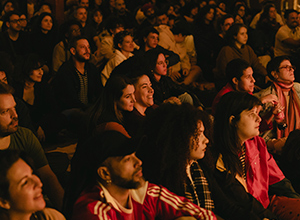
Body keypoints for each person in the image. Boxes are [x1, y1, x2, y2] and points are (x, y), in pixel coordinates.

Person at [139, 102, 278, 220]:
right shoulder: (166, 176)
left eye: (205, 133)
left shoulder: (199, 167)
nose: (206, 140)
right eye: (198, 134)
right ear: (179, 138)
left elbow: (226, 205)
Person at [67, 130, 216, 220]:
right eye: (127, 159)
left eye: (135, 155)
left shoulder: (145, 193)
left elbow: (203, 214)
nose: (138, 162)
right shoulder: (93, 212)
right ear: (105, 173)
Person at [213, 91, 300, 220]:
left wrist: (295, 200)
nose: (259, 119)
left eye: (258, 113)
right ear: (233, 121)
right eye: (252, 114)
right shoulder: (218, 156)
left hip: (266, 204)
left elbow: (278, 180)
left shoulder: (257, 144)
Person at [0, 83, 64, 210]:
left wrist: (67, 212)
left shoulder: (24, 135)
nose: (15, 115)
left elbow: (47, 176)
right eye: (5, 111)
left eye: (14, 108)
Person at [0, 149, 66, 220]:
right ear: (3, 201)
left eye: (32, 174)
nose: (39, 183)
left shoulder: (50, 216)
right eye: (25, 182)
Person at [255, 56, 300, 153]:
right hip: (273, 142)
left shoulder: (297, 88)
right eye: (286, 67)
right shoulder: (266, 96)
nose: (291, 69)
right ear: (275, 74)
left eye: (291, 67)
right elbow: (261, 131)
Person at [51, 36, 102, 112]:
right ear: (73, 51)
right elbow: (69, 100)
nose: (87, 50)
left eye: (88, 47)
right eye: (82, 47)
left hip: (89, 110)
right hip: (70, 111)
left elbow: (99, 91)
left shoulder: (92, 69)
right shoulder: (66, 70)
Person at [215, 23, 268, 90]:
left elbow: (256, 64)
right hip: (231, 82)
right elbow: (227, 72)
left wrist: (266, 75)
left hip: (245, 80)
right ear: (234, 36)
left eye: (246, 33)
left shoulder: (248, 49)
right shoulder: (227, 50)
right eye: (242, 34)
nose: (245, 36)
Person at [123, 72, 155, 137]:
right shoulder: (135, 123)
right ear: (133, 91)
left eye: (150, 85)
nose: (151, 90)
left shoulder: (151, 111)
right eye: (144, 87)